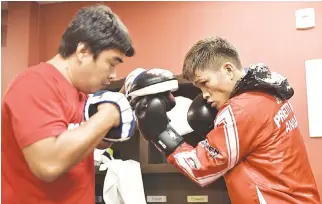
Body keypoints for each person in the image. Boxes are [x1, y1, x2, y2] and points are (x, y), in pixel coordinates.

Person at [126, 37, 321, 203]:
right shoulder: (269, 95)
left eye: (205, 83)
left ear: (228, 70)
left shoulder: (239, 109)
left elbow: (200, 169)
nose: (204, 95)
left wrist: (160, 132)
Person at [2, 5, 136, 204]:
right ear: (83, 51)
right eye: (111, 63)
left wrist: (125, 110)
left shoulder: (80, 93)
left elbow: (85, 143)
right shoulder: (34, 84)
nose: (113, 74)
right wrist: (108, 115)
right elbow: (48, 163)